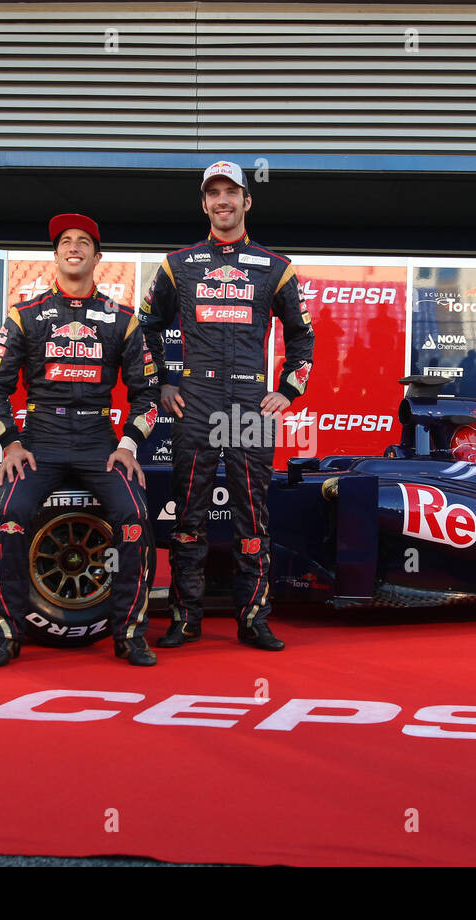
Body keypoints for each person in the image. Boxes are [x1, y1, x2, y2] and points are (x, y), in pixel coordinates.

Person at [140, 160, 315, 651]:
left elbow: (302, 337)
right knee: (187, 518)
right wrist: (162, 385)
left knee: (252, 517)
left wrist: (288, 391)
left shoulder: (276, 267)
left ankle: (254, 619)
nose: (223, 201)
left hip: (250, 406)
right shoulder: (177, 264)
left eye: (231, 192)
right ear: (204, 203)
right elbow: (146, 328)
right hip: (196, 400)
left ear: (246, 201)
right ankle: (185, 618)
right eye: (214, 193)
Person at [0, 213, 160, 667]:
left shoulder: (123, 319)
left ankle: (130, 634)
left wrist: (128, 446)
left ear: (98, 257)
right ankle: (6, 634)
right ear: (56, 255)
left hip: (99, 441)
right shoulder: (25, 315)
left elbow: (147, 393)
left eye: (83, 241)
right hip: (41, 439)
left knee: (135, 518)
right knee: (9, 518)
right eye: (65, 241)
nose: (73, 246)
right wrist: (11, 444)